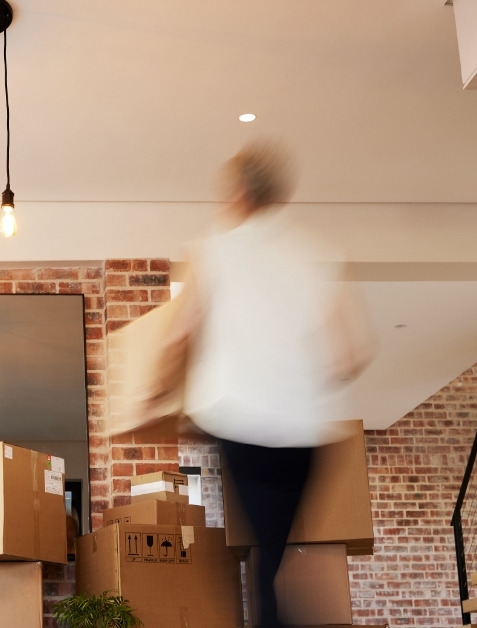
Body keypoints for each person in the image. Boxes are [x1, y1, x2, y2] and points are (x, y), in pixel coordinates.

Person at [149, 141, 374, 627]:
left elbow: (179, 334)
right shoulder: (317, 253)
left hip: (240, 424)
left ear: (240, 193)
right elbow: (351, 355)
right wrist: (297, 376)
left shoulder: (216, 248)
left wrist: (156, 392)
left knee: (262, 558)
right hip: (303, 434)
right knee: (274, 552)